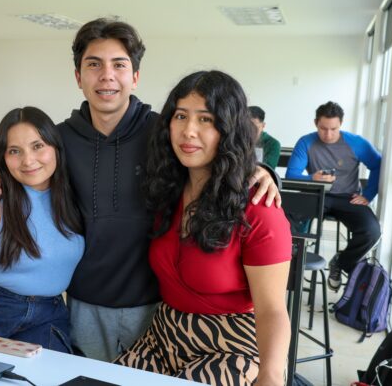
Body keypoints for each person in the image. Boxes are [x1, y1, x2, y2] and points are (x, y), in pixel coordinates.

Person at [0, 18, 281, 362]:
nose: (107, 76)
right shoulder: (59, 141)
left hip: (153, 306)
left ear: (135, 76)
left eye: (119, 65)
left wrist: (261, 171)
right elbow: (26, 165)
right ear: (78, 77)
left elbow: (215, 157)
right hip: (83, 301)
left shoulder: (165, 133)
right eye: (94, 65)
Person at [114, 71, 291, 385]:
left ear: (229, 128)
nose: (189, 131)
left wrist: (271, 375)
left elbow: (273, 310)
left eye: (205, 119)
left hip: (231, 343)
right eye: (181, 116)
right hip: (164, 335)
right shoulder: (167, 191)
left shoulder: (258, 208)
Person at [0, 107, 84, 352]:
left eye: (37, 146)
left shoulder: (73, 198)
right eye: (14, 151)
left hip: (49, 315)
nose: (28, 160)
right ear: (3, 157)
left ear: (55, 147)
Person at [286, 101, 381, 291]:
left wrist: (368, 195)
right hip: (316, 194)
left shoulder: (356, 142)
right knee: (285, 219)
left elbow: (378, 164)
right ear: (316, 123)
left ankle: (340, 262)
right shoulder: (306, 142)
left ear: (341, 124)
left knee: (372, 231)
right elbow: (291, 174)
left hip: (348, 197)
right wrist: (312, 178)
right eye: (323, 129)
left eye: (333, 129)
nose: (328, 134)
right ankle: (291, 262)